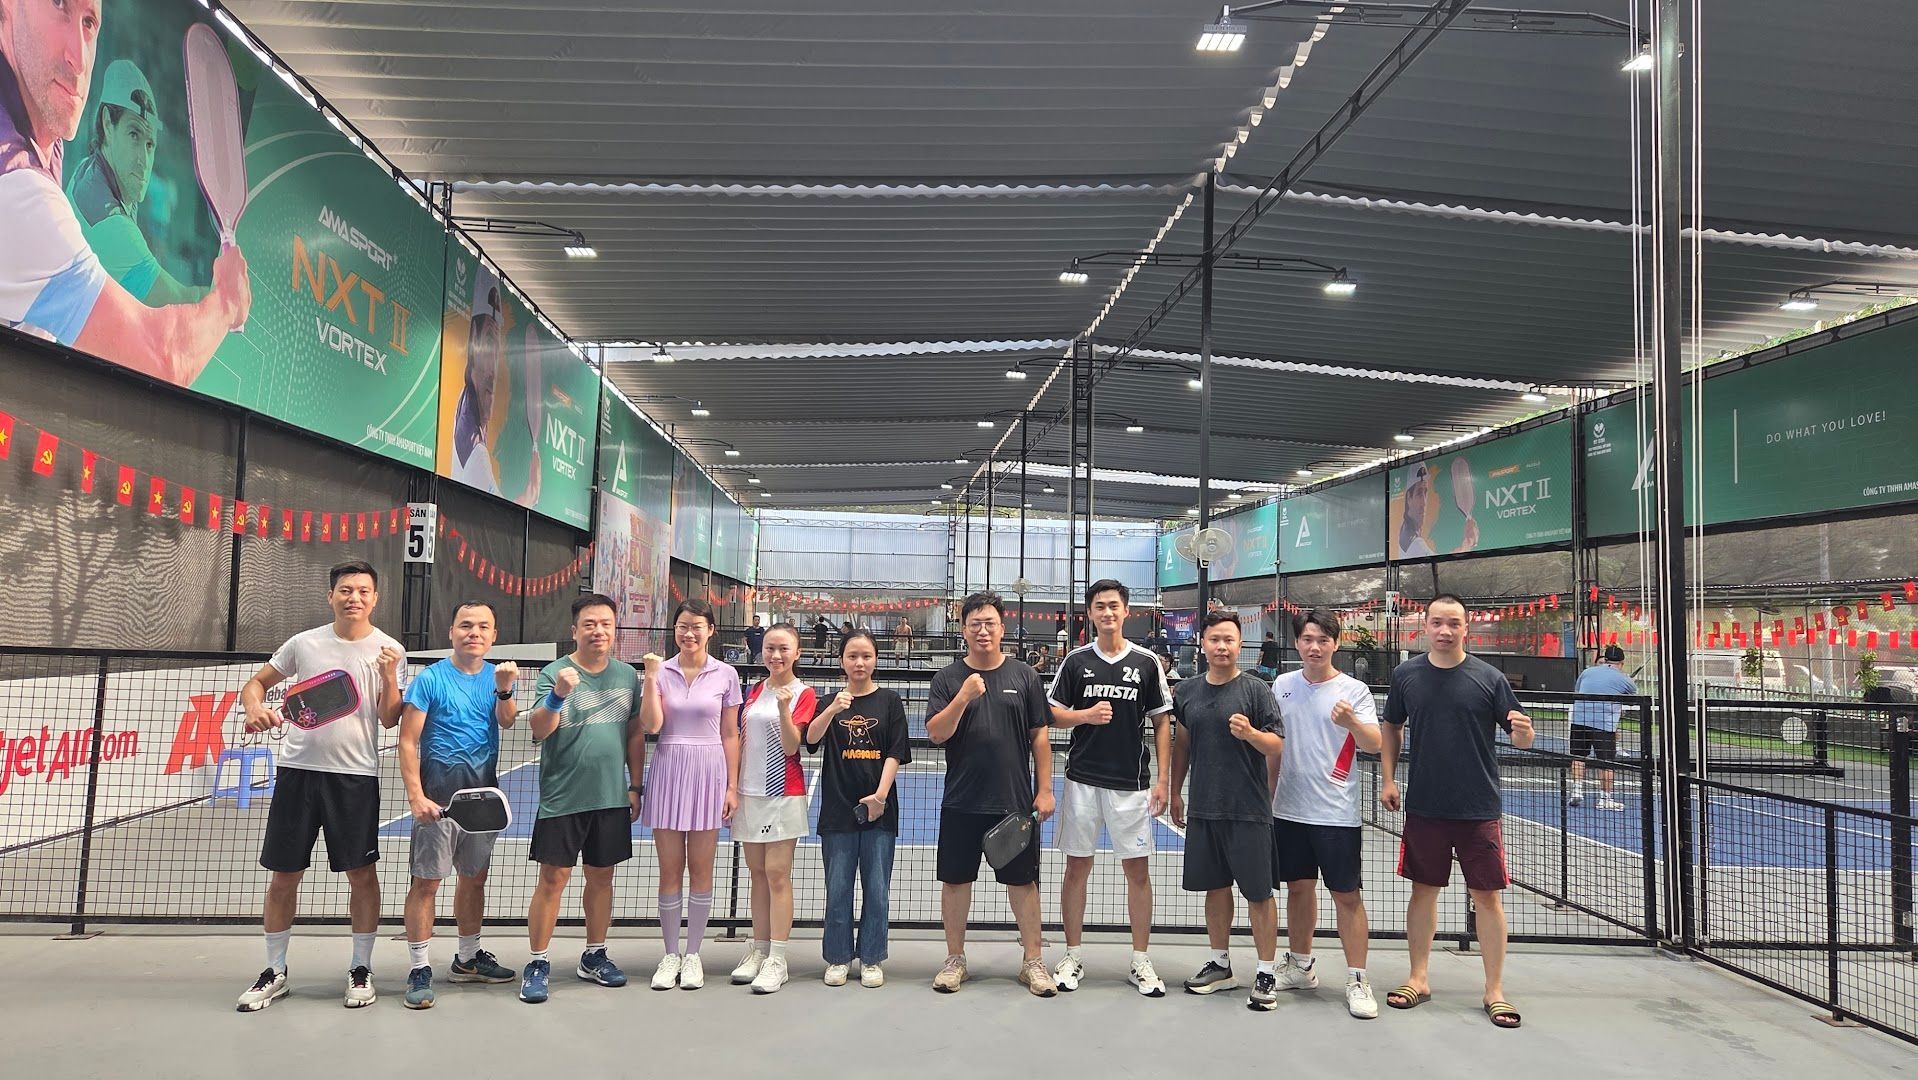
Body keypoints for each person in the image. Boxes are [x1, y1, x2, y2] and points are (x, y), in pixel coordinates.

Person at [0, 0, 251, 384]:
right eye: (58, 4)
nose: (79, 59)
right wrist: (226, 302)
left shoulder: (45, 134)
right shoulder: (20, 192)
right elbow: (162, 357)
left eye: (89, 22)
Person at [234, 561, 403, 1012]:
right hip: (298, 773)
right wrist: (254, 707)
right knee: (284, 875)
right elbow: (255, 685)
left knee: (361, 875)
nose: (354, 598)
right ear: (331, 596)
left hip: (355, 777)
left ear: (375, 599)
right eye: (345, 590)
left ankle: (361, 968)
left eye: (363, 591)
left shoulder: (390, 649)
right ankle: (274, 971)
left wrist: (389, 676)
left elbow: (389, 718)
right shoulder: (303, 643)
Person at [1379, 593, 1534, 1029]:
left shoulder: (1489, 678)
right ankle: (1418, 977)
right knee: (1423, 891)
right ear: (1424, 626)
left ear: (1466, 628)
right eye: (1437, 623)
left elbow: (1521, 736)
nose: (1445, 631)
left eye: (1453, 623)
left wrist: (1524, 733)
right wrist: (1388, 778)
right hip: (1425, 805)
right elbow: (1391, 726)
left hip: (1477, 807)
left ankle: (1494, 990)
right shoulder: (1406, 675)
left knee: (1487, 896)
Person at [926, 591, 1056, 996]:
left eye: (990, 623)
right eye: (975, 624)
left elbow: (1040, 737)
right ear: (964, 630)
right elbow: (936, 734)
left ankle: (1033, 962)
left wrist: (1045, 789)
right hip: (961, 801)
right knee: (955, 882)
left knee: (1023, 884)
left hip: (1013, 802)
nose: (983, 631)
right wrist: (963, 697)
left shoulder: (1025, 676)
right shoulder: (947, 679)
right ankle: (955, 960)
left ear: (1002, 628)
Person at [1048, 580, 1174, 997]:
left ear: (1126, 611)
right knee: (1076, 867)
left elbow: (1161, 721)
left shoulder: (1146, 662)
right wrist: (1084, 716)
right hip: (1082, 780)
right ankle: (1072, 954)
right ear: (1090, 613)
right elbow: (1051, 714)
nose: (1107, 612)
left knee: (1137, 871)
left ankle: (1140, 959)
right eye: (1099, 606)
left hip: (1131, 785)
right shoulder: (1076, 661)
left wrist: (1163, 780)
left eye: (1114, 606)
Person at [520, 594, 647, 1005]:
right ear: (574, 630)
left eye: (606, 624)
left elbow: (634, 733)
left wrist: (635, 785)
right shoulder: (554, 673)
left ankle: (594, 955)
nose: (598, 631)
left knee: (601, 878)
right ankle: (537, 962)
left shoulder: (627, 676)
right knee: (553, 879)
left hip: (610, 797)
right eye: (590, 624)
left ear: (615, 630)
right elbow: (539, 729)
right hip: (563, 796)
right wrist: (558, 694)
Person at [396, 601, 520, 1009]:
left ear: (493, 635)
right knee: (426, 883)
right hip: (438, 799)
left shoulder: (498, 678)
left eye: (483, 626)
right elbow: (407, 741)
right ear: (451, 632)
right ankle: (419, 968)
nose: (474, 632)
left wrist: (505, 688)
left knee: (474, 879)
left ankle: (467, 959)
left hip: (482, 799)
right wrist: (416, 796)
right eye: (466, 625)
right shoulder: (430, 679)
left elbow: (507, 720)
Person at [1267, 611, 1382, 1019]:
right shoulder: (1282, 685)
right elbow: (1274, 745)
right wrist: (1268, 797)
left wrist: (1351, 722)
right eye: (1307, 639)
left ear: (1336, 642)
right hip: (1289, 809)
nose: (1314, 647)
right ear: (1297, 643)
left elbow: (1374, 743)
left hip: (1335, 812)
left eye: (1323, 640)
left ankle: (1358, 979)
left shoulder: (1355, 690)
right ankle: (1301, 966)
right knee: (1298, 888)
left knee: (1346, 895)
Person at [1168, 611, 1286, 1011]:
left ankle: (1266, 972)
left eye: (1229, 640)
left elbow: (1277, 745)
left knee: (1259, 893)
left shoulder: (1256, 690)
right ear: (1202, 644)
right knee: (1215, 889)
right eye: (1215, 639)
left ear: (1239, 645)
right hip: (1204, 807)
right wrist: (1175, 792)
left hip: (1248, 809)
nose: (1222, 647)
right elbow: (1183, 744)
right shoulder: (1187, 691)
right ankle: (1220, 965)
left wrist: (1251, 734)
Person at [638, 598, 743, 991]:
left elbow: (730, 734)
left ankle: (694, 954)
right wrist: (650, 678)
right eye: (682, 626)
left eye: (697, 626)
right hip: (669, 769)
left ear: (710, 630)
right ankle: (670, 954)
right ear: (674, 630)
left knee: (701, 871)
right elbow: (651, 725)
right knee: (669, 872)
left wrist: (731, 786)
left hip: (708, 774)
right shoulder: (660, 671)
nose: (689, 633)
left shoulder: (726, 674)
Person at [805, 630, 910, 988]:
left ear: (876, 659)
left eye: (866, 656)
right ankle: (837, 957)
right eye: (852, 656)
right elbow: (810, 739)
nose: (859, 662)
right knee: (838, 888)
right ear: (842, 661)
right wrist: (833, 708)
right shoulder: (829, 701)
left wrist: (879, 797)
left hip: (880, 811)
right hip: (838, 810)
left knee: (877, 888)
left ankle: (871, 957)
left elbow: (895, 752)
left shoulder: (890, 702)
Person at [65, 60, 206, 306]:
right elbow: (180, 306)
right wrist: (223, 295)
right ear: (108, 123)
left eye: (150, 144)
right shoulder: (112, 227)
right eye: (134, 135)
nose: (144, 160)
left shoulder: (90, 168)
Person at [728, 623, 817, 994]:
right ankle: (759, 949)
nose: (776, 655)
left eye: (783, 649)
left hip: (783, 793)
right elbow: (740, 739)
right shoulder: (753, 690)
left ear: (797, 653)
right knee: (758, 874)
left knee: (778, 874)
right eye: (769, 648)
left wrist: (783, 708)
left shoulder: (804, 693)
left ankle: (778, 959)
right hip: (749, 793)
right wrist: (732, 787)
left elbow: (792, 746)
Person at [448, 276, 538, 502]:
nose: (493, 371)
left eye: (496, 351)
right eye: (488, 345)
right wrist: (531, 491)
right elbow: (504, 513)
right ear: (473, 340)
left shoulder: (465, 398)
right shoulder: (476, 455)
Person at [1569, 645, 1635, 811]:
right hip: (1603, 725)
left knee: (1578, 757)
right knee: (1606, 763)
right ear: (1622, 662)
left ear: (1605, 659)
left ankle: (1576, 791)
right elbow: (1633, 699)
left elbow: (1578, 691)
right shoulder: (1624, 679)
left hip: (1579, 720)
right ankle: (1605, 799)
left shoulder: (1587, 672)